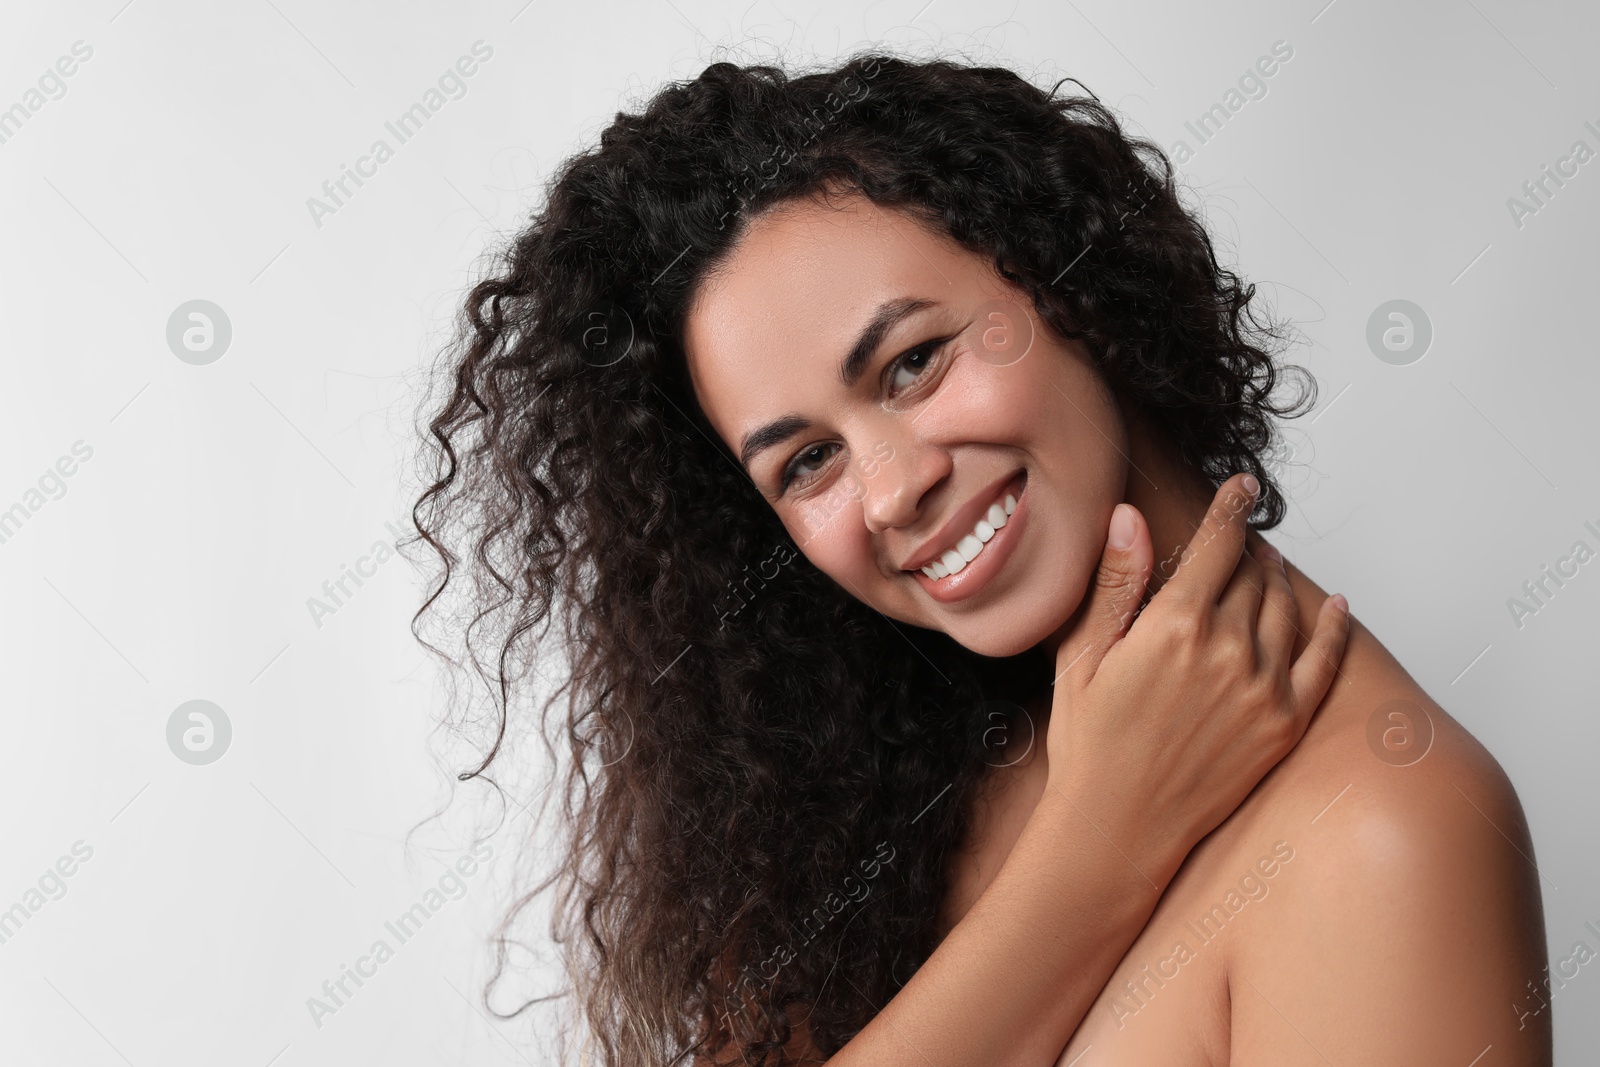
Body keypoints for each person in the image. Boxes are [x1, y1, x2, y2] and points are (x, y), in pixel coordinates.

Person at [413, 52, 1549, 1066]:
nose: (895, 487)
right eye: (808, 460)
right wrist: (1098, 847)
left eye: (910, 363)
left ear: (1069, 283)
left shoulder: (1385, 836)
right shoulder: (884, 789)